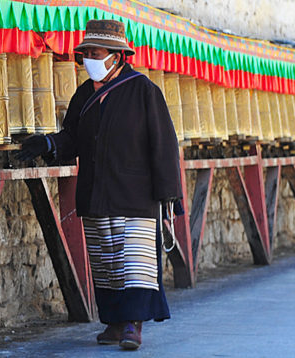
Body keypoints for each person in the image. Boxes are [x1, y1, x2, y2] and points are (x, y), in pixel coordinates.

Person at [15, 19, 182, 350]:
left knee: (134, 263)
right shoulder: (83, 96)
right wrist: (48, 145)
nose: (89, 59)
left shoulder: (144, 91)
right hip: (95, 193)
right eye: (86, 53)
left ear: (118, 56)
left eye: (96, 53)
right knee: (106, 262)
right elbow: (73, 138)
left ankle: (134, 325)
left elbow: (164, 146)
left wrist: (169, 197)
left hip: (135, 195)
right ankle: (115, 323)